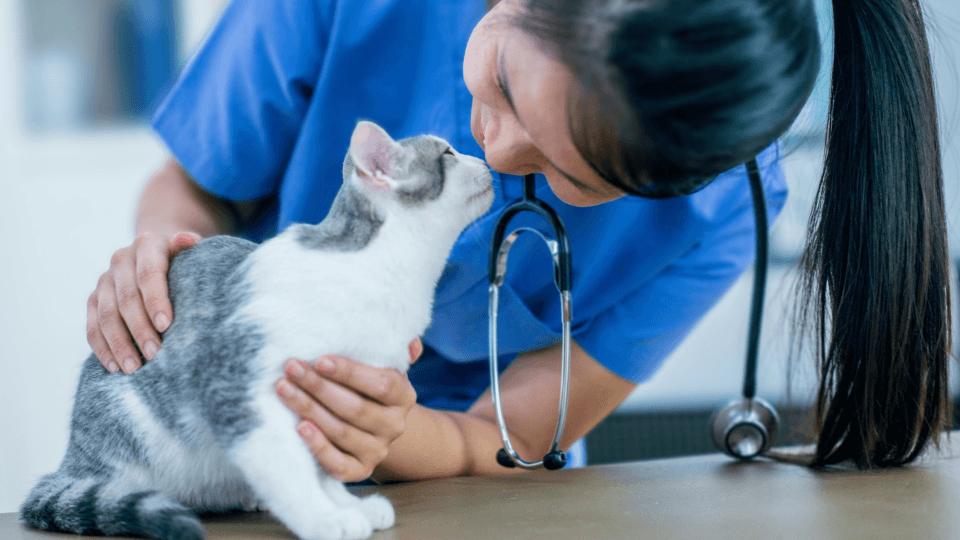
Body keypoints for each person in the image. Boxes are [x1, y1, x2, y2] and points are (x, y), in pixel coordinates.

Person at [86, 0, 950, 480]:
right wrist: (166, 256)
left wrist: (389, 435)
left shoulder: (717, 217)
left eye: (574, 182)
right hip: (234, 436)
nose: (494, 151)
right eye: (501, 78)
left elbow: (495, 441)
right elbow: (194, 184)